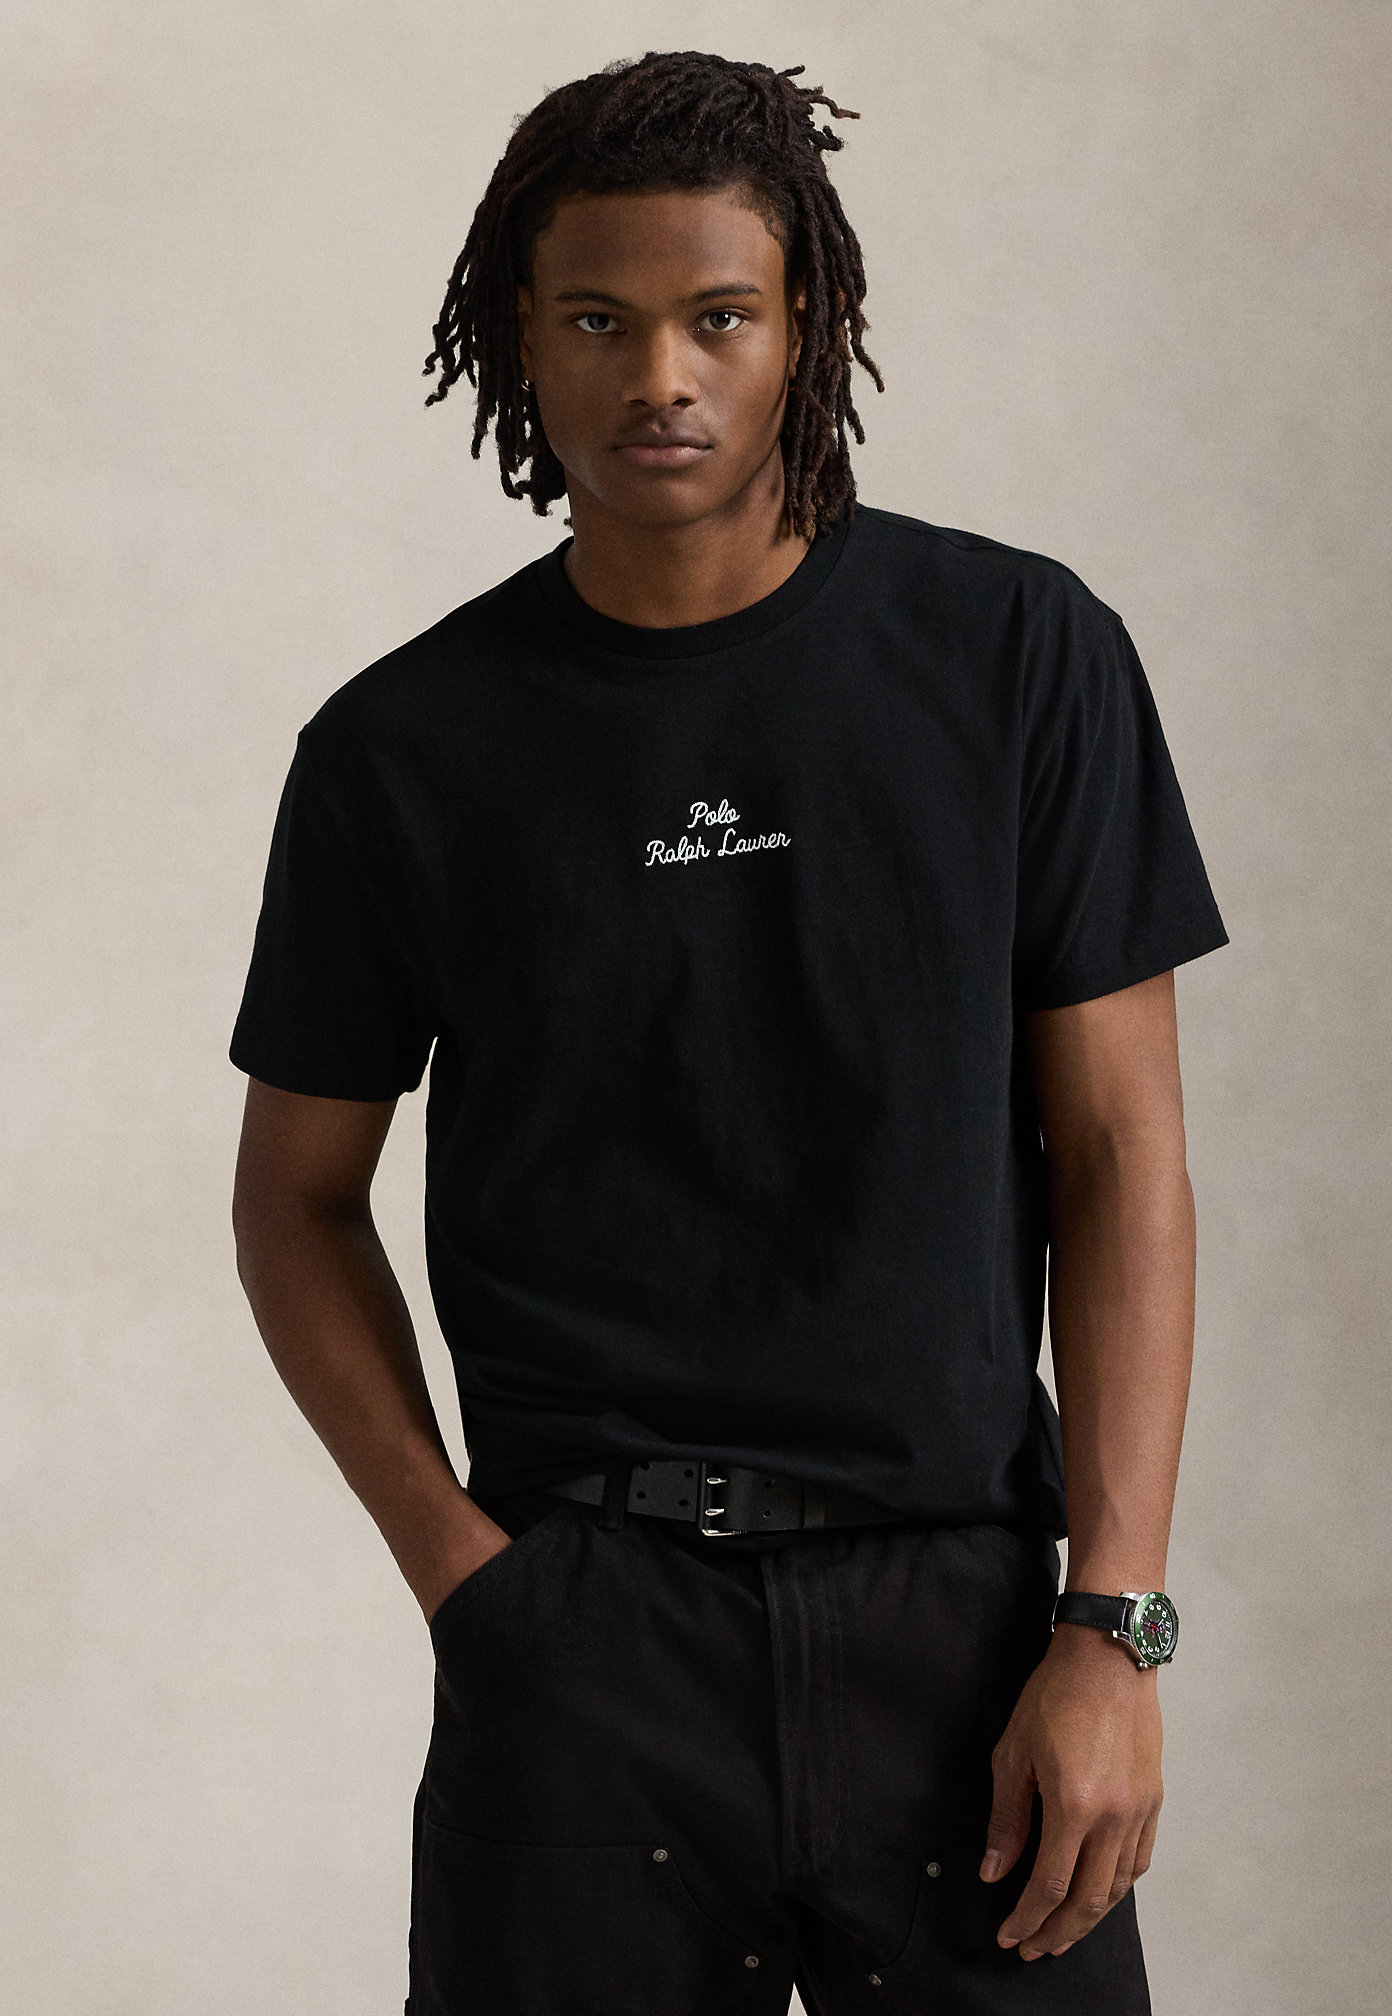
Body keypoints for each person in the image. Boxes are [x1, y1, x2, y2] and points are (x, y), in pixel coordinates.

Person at [229, 48, 1228, 2016]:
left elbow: (1125, 1158)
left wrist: (1111, 1624)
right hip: (580, 1636)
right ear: (518, 337)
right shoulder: (399, 753)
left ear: (807, 324)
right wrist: (465, 1576)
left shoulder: (1020, 659)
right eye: (596, 321)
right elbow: (293, 1200)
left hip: (965, 1639)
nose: (659, 378)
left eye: (717, 317)